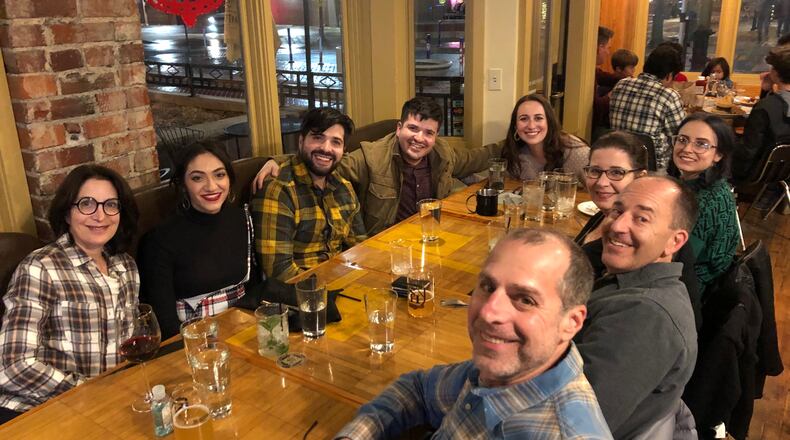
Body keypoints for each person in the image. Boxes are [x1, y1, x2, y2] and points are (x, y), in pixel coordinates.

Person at [335, 229, 612, 439]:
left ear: (571, 322)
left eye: (525, 299)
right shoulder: (507, 371)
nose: (490, 313)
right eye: (488, 287)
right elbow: (417, 389)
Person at [0, 165, 140, 423]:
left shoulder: (125, 266)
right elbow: (12, 367)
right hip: (35, 411)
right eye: (87, 204)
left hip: (105, 405)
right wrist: (87, 392)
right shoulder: (41, 268)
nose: (100, 216)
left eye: (110, 204)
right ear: (67, 213)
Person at [254, 97, 500, 236]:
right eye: (413, 129)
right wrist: (278, 160)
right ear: (398, 128)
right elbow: (325, 160)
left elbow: (476, 158)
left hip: (432, 238)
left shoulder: (442, 154)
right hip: (386, 247)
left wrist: (512, 143)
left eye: (429, 133)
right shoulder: (371, 158)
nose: (419, 138)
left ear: (435, 136)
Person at [574, 176, 699, 439]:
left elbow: (576, 427)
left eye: (641, 218)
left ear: (674, 242)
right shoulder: (628, 284)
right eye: (617, 211)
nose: (617, 225)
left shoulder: (644, 315)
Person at [137, 143, 254, 339]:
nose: (211, 186)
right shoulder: (159, 240)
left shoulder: (242, 219)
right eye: (197, 178)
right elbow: (165, 325)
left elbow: (254, 288)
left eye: (219, 175)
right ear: (183, 184)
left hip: (245, 332)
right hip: (194, 344)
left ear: (230, 179)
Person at [252, 107, 367, 281]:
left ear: (343, 149)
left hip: (341, 279)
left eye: (336, 142)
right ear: (301, 141)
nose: (326, 148)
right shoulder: (279, 189)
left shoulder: (343, 186)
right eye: (318, 137)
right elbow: (279, 271)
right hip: (302, 294)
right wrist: (327, 290)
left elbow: (360, 246)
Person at [669, 113, 739, 294]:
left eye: (701, 144)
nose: (687, 149)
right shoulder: (708, 185)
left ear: (718, 154)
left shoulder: (705, 201)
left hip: (689, 291)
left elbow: (679, 260)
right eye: (682, 139)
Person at [610, 45, 687, 170]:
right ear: (669, 75)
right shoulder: (668, 96)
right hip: (653, 168)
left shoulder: (621, 84)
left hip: (618, 160)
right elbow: (681, 134)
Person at [575, 131, 648, 246]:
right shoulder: (603, 215)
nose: (602, 183)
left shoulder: (628, 236)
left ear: (640, 178)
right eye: (595, 171)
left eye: (616, 172)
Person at [500, 94, 590, 181]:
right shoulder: (515, 151)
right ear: (515, 126)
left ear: (549, 122)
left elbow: (601, 190)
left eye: (538, 118)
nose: (531, 126)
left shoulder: (575, 152)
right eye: (524, 119)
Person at [735, 45, 790, 183]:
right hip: (783, 172)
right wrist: (766, 91)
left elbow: (748, 152)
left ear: (776, 73)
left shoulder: (765, 107)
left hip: (754, 172)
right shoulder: (770, 104)